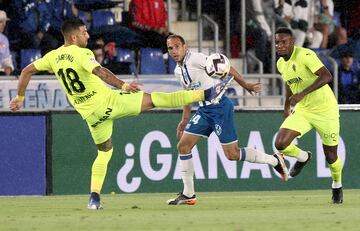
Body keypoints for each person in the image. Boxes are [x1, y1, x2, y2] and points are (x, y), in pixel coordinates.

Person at [9, 18, 233, 210]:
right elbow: (101, 71)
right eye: (84, 32)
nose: (88, 34)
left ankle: (94, 198)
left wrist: (19, 98)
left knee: (105, 152)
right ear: (74, 37)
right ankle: (208, 92)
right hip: (110, 102)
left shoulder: (53, 56)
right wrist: (124, 86)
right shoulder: (81, 53)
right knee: (157, 99)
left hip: (92, 117)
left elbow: (27, 70)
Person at [165, 34, 288, 205]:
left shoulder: (197, 59)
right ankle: (188, 194)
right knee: (183, 146)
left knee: (232, 154)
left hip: (220, 107)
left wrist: (246, 85)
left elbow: (226, 67)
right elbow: (188, 95)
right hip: (204, 109)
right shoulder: (178, 71)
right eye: (170, 48)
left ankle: (274, 160)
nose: (174, 51)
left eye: (177, 46)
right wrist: (185, 119)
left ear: (185, 46)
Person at [274, 27, 343, 203]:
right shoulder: (280, 64)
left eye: (284, 42)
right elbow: (290, 85)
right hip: (303, 110)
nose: (280, 45)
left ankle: (337, 184)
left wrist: (302, 93)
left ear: (292, 43)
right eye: (277, 42)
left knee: (331, 157)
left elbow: (327, 76)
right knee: (280, 143)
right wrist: (286, 106)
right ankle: (303, 157)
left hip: (325, 109)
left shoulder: (305, 55)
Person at [0, 10, 14, 75]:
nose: (4, 25)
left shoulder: (4, 39)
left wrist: (8, 67)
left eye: (5, 22)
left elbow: (6, 58)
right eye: (1, 22)